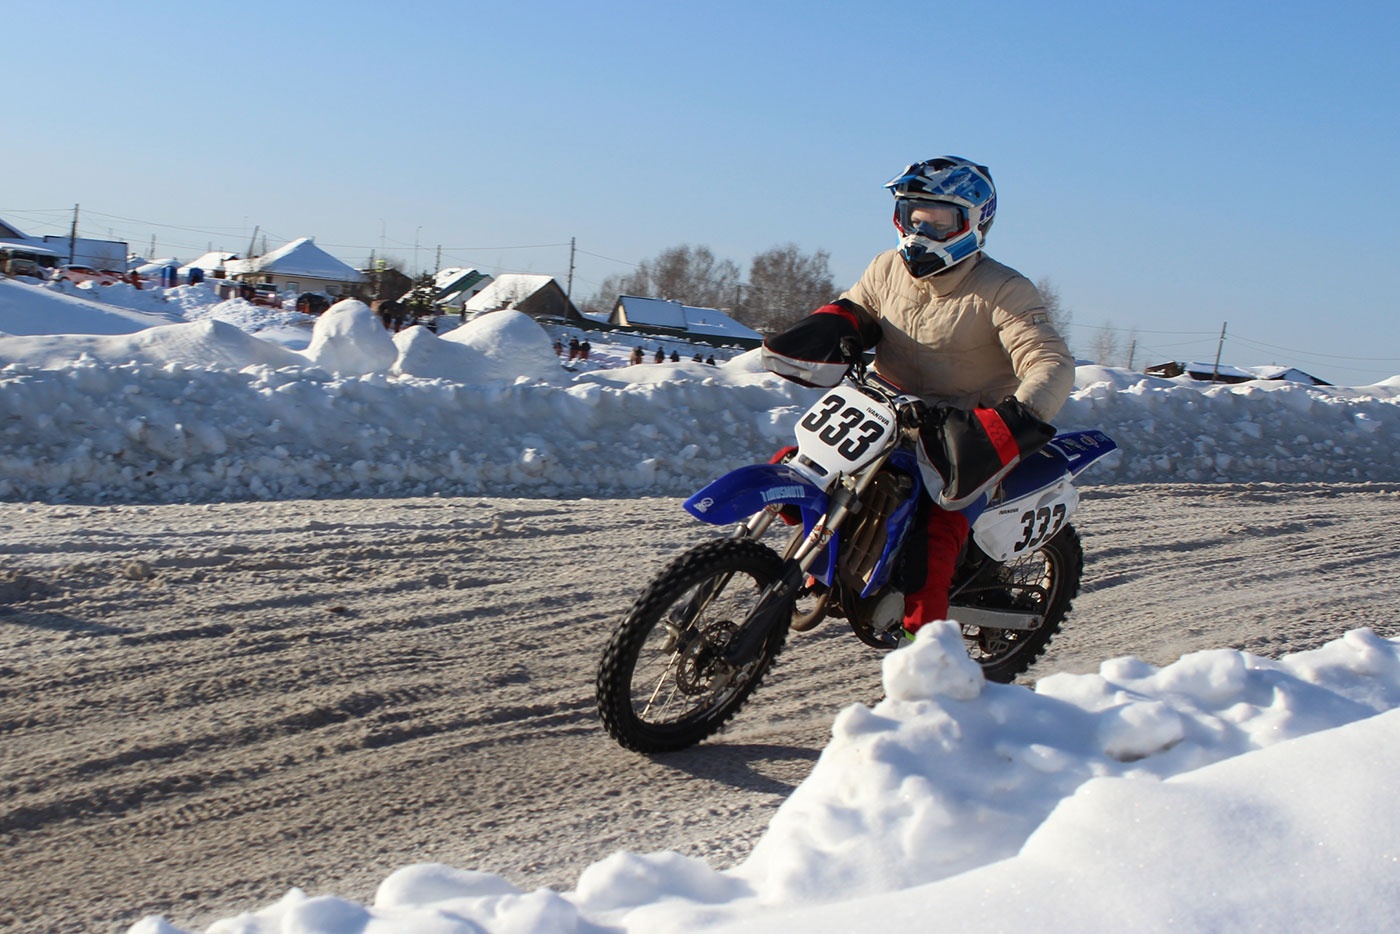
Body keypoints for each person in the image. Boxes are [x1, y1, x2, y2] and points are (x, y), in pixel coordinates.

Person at [764, 156, 1075, 640]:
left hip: (960, 438)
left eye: (939, 220)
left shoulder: (1005, 290)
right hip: (881, 412)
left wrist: (1015, 418)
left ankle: (925, 663)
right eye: (914, 215)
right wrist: (824, 330)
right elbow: (858, 309)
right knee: (796, 466)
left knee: (933, 543)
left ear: (974, 223)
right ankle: (819, 564)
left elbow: (1049, 361)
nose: (921, 231)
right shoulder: (887, 268)